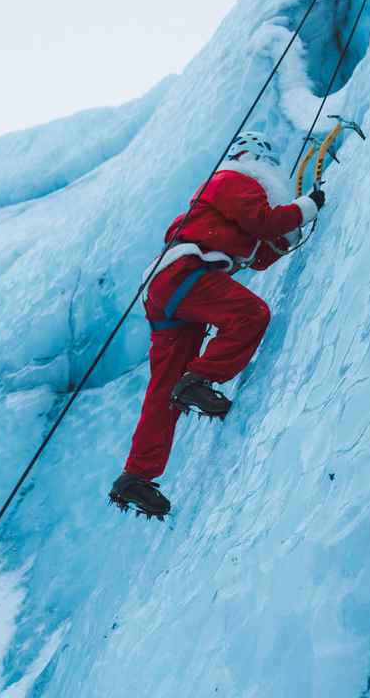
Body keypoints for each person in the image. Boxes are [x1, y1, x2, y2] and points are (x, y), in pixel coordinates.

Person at [109, 130, 325, 518]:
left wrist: (289, 228)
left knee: (165, 388)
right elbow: (263, 222)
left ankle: (135, 477)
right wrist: (307, 207)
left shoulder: (227, 198)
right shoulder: (232, 178)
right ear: (254, 157)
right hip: (183, 274)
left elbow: (259, 252)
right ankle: (200, 379)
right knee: (250, 315)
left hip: (168, 289)